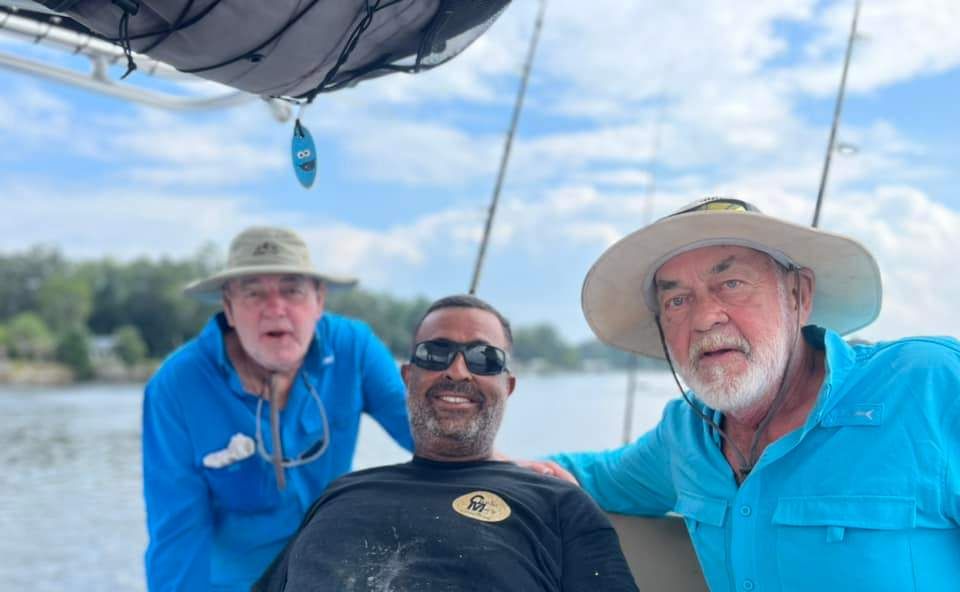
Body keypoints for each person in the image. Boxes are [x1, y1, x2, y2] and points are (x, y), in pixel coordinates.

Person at [531, 197, 960, 592]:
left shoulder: (928, 381)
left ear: (798, 295)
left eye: (732, 284)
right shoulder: (684, 434)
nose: (704, 318)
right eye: (677, 301)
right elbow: (596, 477)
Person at [254, 295, 639, 592]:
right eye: (435, 354)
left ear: (508, 386)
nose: (456, 371)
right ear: (407, 378)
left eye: (484, 358)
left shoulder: (558, 503)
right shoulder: (341, 493)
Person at [141, 226, 414, 592]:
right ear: (229, 307)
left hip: (332, 575)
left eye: (292, 290)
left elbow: (427, 434)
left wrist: (499, 471)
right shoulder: (175, 386)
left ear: (319, 300)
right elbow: (177, 535)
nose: (275, 307)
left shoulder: (354, 348)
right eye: (253, 293)